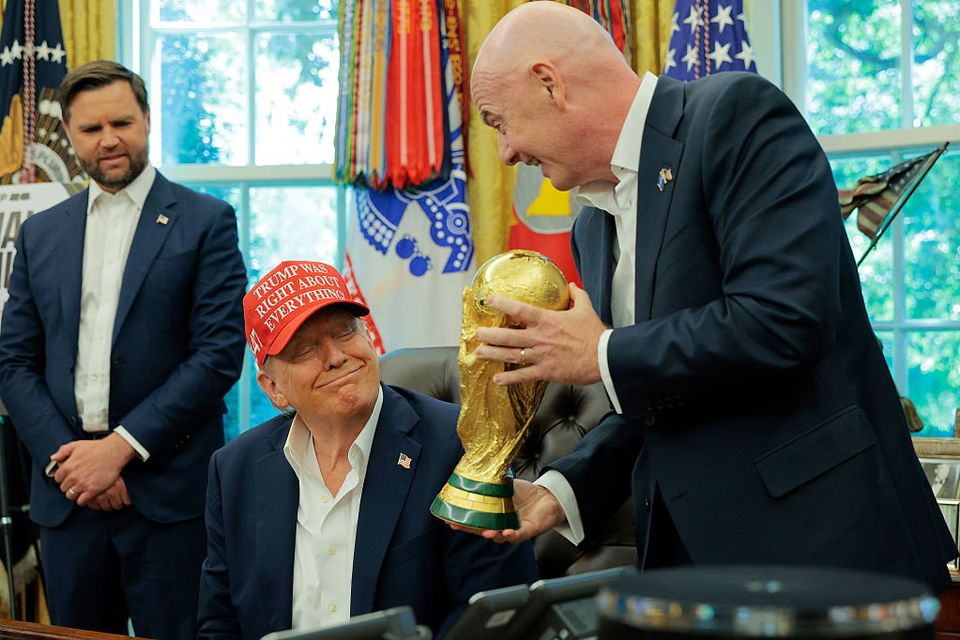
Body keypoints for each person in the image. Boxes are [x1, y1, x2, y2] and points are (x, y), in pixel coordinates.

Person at [465, 1, 957, 591]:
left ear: (549, 84)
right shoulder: (591, 227)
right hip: (687, 572)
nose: (506, 153)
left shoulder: (734, 116)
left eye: (498, 122)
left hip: (821, 554)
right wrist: (560, 490)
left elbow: (784, 317)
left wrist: (600, 354)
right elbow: (661, 398)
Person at [0, 61, 246, 637]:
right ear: (71, 136)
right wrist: (74, 461)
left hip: (167, 494)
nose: (109, 139)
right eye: (91, 129)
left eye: (122, 122)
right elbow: (13, 361)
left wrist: (119, 450)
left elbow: (217, 355)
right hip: (67, 498)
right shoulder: (40, 232)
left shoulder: (206, 221)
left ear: (147, 121)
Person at [197, 260, 537, 640]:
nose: (336, 356)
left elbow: (493, 613)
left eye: (345, 332)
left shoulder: (460, 444)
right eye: (305, 349)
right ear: (274, 388)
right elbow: (220, 622)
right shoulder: (235, 470)